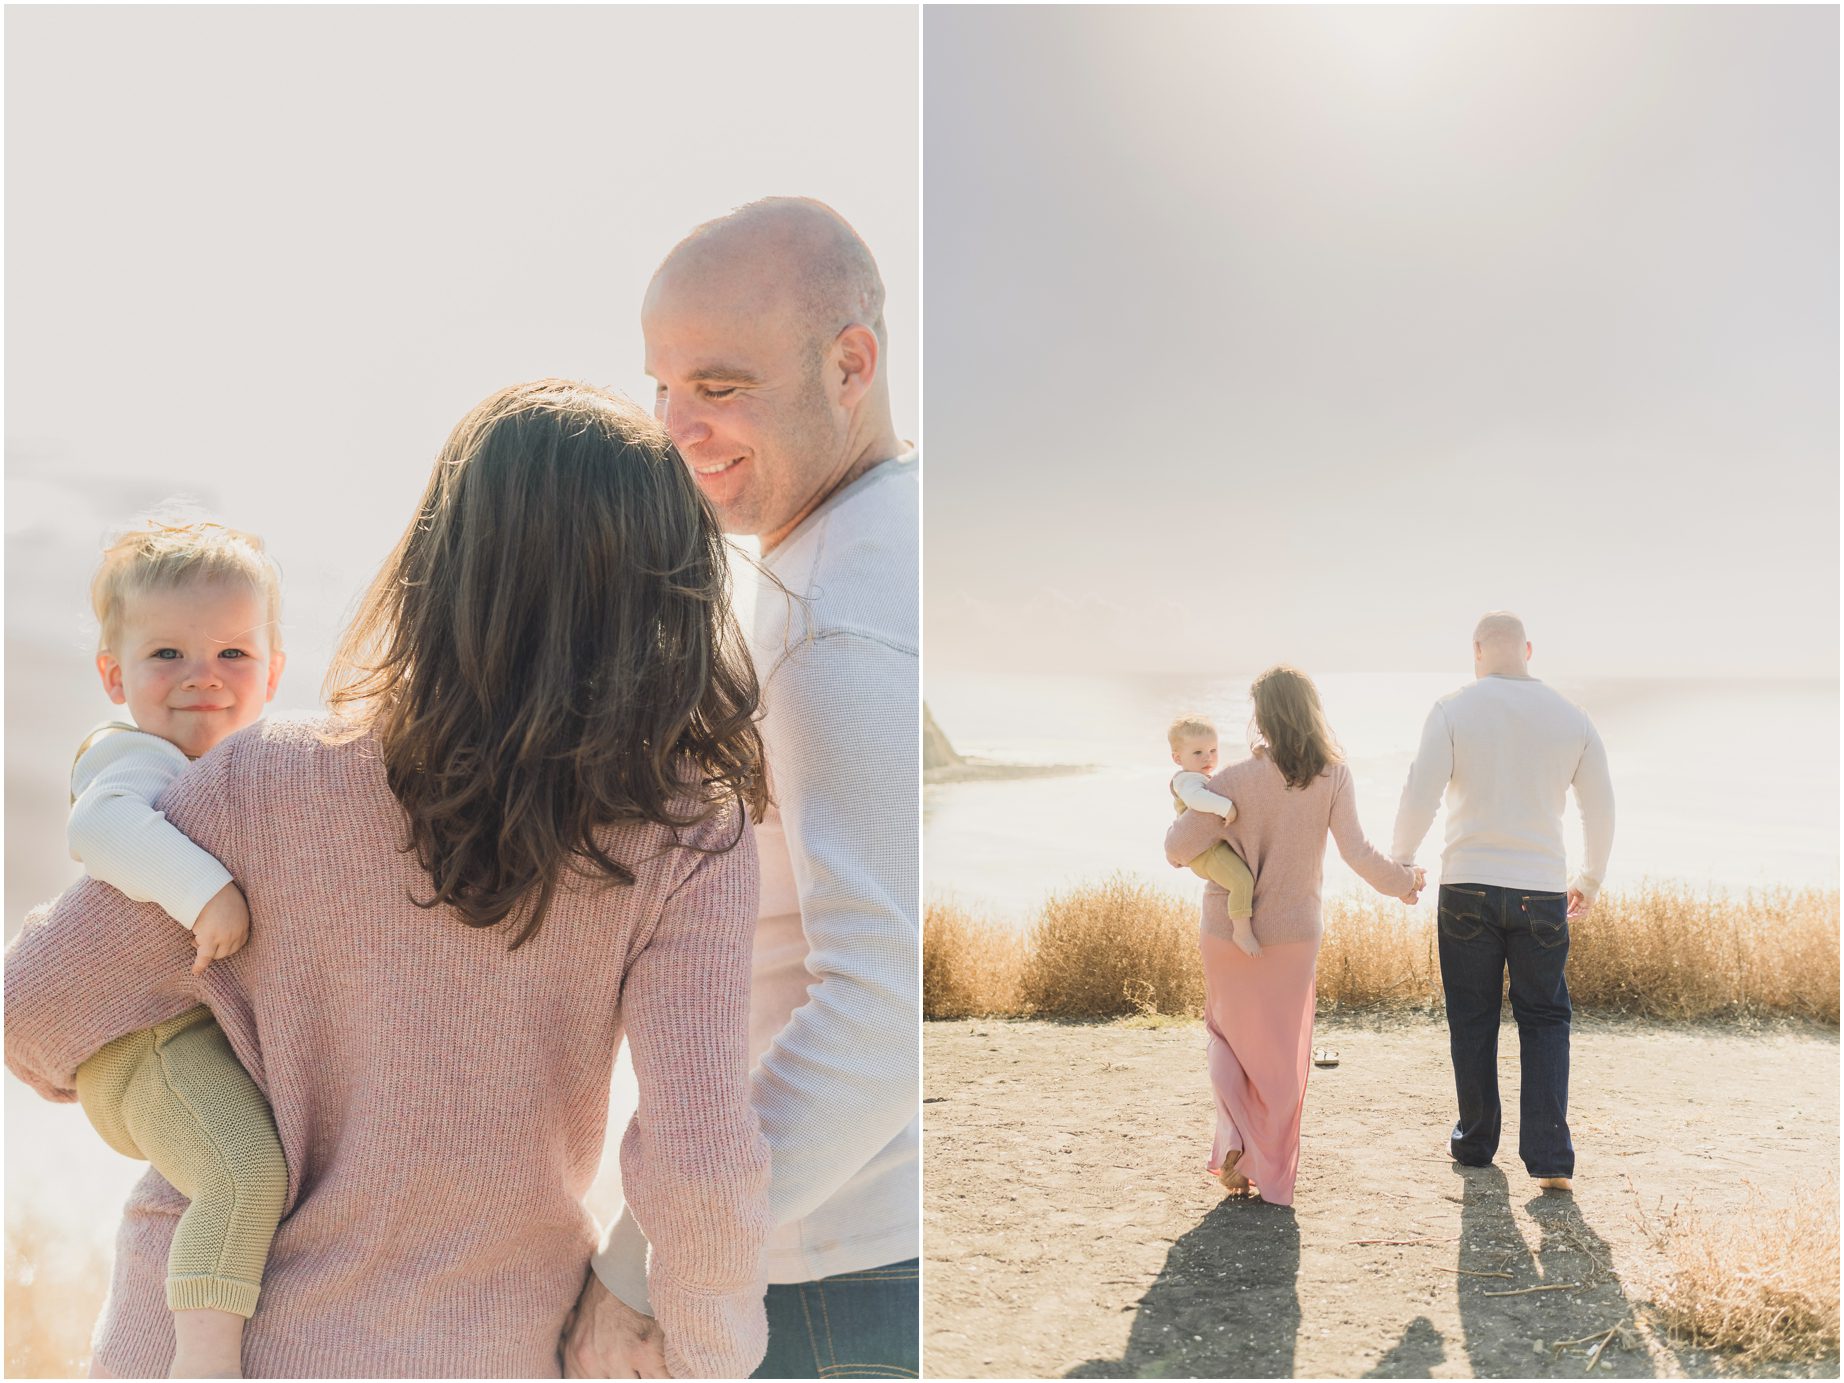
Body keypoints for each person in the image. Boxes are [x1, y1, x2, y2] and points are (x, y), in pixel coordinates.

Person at [7, 381, 773, 1378]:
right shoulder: (688, 829)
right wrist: (705, 1352)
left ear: (439, 561)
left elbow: (32, 1012)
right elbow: (702, 1162)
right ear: (667, 588)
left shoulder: (263, 781)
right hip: (491, 1343)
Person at [568, 198, 919, 1379]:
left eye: (719, 386)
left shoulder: (833, 616)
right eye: (662, 386)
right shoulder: (865, 551)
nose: (676, 428)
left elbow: (877, 1016)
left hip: (830, 1278)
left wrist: (640, 1263)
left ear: (850, 364)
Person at [63, 519, 289, 1378]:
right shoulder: (135, 756)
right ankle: (202, 1363)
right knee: (243, 1171)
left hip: (184, 1038)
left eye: (233, 653)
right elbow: (102, 826)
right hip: (143, 1042)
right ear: (115, 676)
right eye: (167, 655)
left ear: (272, 672)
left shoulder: (248, 767)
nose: (202, 676)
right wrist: (207, 891)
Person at [1165, 666, 1421, 1207]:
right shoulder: (1333, 775)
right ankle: (1267, 1167)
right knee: (1282, 1059)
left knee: (1228, 1039)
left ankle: (1234, 1141)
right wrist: (1402, 884)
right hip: (1295, 936)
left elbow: (1176, 849)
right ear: (1311, 711)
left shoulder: (1230, 780)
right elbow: (1357, 852)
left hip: (1229, 934)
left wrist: (1194, 809)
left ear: (1261, 718)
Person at [1390, 611, 1615, 1193]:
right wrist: (1589, 876)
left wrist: (1402, 861)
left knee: (1473, 1016)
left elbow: (1421, 792)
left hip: (1466, 883)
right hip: (1540, 889)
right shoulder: (1573, 719)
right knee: (1544, 1018)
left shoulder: (1452, 709)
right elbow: (1601, 807)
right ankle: (1550, 1161)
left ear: (1476, 650)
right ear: (1529, 650)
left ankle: (1475, 1142)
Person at [1166, 714, 1257, 957]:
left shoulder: (1202, 776)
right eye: (1197, 753)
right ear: (1178, 758)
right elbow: (1197, 800)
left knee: (1237, 880)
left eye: (1213, 750)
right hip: (1203, 851)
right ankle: (1242, 931)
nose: (1208, 757)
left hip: (1210, 847)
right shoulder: (1187, 780)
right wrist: (1226, 807)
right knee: (1242, 881)